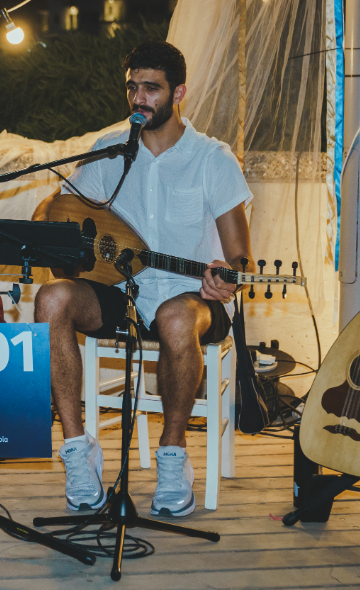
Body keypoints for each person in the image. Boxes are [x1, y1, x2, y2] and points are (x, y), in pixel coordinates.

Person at [32, 41, 253, 517]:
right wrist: (51, 219)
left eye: (151, 88)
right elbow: (59, 207)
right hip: (122, 292)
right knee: (51, 300)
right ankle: (77, 450)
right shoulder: (110, 150)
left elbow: (239, 257)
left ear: (179, 93)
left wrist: (225, 279)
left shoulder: (212, 159)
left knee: (175, 319)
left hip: (194, 298)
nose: (139, 98)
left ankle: (173, 455)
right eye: (133, 87)